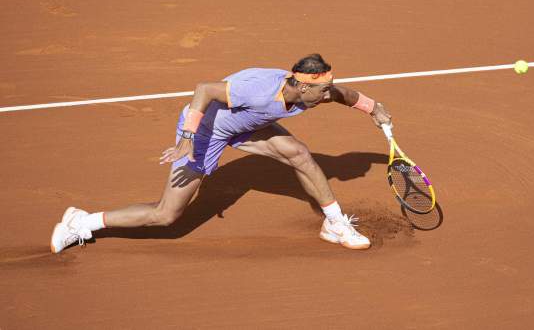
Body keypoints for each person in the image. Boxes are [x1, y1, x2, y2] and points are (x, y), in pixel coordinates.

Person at [50, 54, 392, 253]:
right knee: (166, 215)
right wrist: (187, 136)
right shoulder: (258, 92)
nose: (325, 96)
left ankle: (335, 225)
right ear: (303, 86)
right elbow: (204, 90)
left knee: (299, 153)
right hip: (205, 132)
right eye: (321, 91)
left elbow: (344, 94)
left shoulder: (310, 90)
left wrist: (373, 108)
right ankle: (83, 222)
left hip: (245, 127)